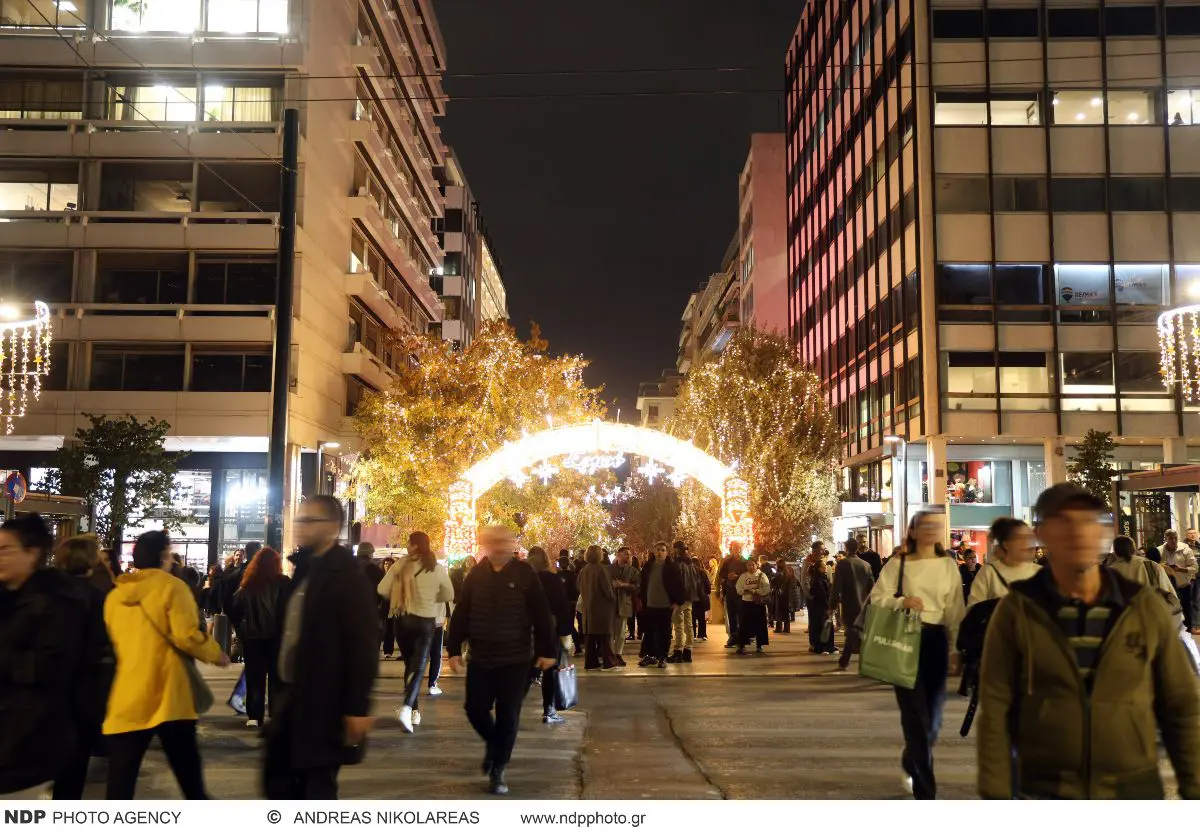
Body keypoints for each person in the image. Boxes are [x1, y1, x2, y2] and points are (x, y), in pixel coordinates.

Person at [978, 484, 1200, 798]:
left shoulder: (1141, 606)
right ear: (1042, 534)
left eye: (1087, 522)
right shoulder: (1018, 611)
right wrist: (996, 794)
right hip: (1046, 790)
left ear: (1103, 534)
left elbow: (1181, 704)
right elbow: (996, 710)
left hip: (1133, 788)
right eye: (1064, 523)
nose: (1077, 534)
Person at [263, 496, 378, 799]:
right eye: (299, 520)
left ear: (331, 527)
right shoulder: (304, 569)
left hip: (325, 703)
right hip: (292, 698)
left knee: (317, 787)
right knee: (279, 781)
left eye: (307, 520)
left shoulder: (348, 576)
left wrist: (357, 707)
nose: (299, 527)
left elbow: (363, 645)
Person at [103, 530, 229, 799]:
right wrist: (216, 654)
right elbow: (186, 635)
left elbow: (115, 638)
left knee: (119, 786)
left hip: (129, 695)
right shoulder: (173, 587)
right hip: (169, 694)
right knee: (191, 782)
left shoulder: (116, 596)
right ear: (163, 556)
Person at [0, 516, 111, 800]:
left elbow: (54, 666)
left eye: (6, 550)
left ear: (32, 553)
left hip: (39, 742)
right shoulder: (11, 595)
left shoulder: (59, 601)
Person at [447, 526, 556, 795]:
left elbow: (541, 613)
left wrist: (548, 650)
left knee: (508, 715)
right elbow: (462, 612)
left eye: (503, 542)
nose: (498, 547)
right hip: (481, 656)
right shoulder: (477, 574)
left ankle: (498, 768)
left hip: (515, 658)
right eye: (493, 542)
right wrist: (453, 648)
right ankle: (496, 746)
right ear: (485, 544)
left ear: (512, 545)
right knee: (474, 708)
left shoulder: (524, 573)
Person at [869, 511, 965, 800]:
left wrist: (955, 647)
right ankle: (926, 791)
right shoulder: (898, 564)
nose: (930, 531)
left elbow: (955, 608)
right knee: (915, 715)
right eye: (924, 526)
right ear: (912, 531)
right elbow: (876, 598)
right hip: (905, 638)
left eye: (935, 527)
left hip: (935, 640)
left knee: (932, 719)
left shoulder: (948, 565)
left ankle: (913, 758)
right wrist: (902, 601)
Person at [375, 531, 453, 734]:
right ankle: (408, 707)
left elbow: (382, 589)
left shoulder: (400, 565)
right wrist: (429, 596)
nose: (407, 546)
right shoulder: (436, 568)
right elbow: (449, 593)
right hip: (425, 621)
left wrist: (400, 591)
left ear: (416, 545)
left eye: (409, 543)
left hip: (403, 620)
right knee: (418, 667)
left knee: (410, 665)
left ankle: (413, 711)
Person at [231, 546, 290, 730]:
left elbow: (234, 607)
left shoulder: (248, 584)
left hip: (253, 638)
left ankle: (254, 716)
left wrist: (242, 629)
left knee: (255, 677)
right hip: (277, 638)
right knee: (276, 677)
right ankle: (276, 713)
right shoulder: (284, 583)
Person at [528, 546, 573, 725]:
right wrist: (566, 634)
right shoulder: (552, 580)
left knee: (526, 670)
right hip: (550, 631)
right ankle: (549, 709)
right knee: (550, 672)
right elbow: (562, 607)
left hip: (528, 631)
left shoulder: (524, 580)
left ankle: (510, 708)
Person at [966, 518, 1041, 609]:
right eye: (1020, 538)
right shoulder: (989, 572)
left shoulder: (1041, 572)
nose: (1027, 543)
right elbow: (972, 610)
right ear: (1006, 544)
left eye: (1030, 538)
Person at [637, 541, 685, 668]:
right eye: (658, 549)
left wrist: (676, 602)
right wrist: (641, 599)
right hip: (650, 604)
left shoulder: (671, 567)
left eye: (663, 550)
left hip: (665, 605)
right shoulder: (649, 566)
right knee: (649, 631)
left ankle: (662, 657)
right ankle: (650, 655)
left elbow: (679, 585)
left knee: (664, 632)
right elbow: (643, 584)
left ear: (666, 552)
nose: (660, 552)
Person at [830, 537, 874, 671]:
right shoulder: (866, 565)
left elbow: (836, 587)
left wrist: (831, 605)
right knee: (859, 631)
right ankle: (867, 661)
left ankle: (845, 659)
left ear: (846, 548)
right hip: (863, 603)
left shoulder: (842, 565)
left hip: (849, 603)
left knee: (852, 631)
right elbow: (872, 586)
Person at [576, 545, 621, 670]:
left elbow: (578, 586)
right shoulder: (602, 569)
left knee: (590, 638)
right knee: (606, 636)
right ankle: (609, 663)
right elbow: (607, 589)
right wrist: (613, 596)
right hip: (602, 608)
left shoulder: (584, 570)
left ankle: (590, 663)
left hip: (587, 608)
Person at [668, 541, 698, 663]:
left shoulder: (678, 564)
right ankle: (688, 651)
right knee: (689, 625)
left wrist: (675, 598)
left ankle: (678, 651)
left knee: (679, 626)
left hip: (680, 599)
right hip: (690, 598)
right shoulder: (691, 563)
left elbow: (678, 583)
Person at [1161, 528, 1197, 630]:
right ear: (1166, 539)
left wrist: (1182, 569)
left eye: (1175, 538)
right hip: (1167, 586)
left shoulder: (1186, 550)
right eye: (1170, 538)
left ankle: (1189, 630)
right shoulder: (1160, 550)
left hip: (1183, 585)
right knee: (1170, 610)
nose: (1173, 541)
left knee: (1186, 609)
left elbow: (1195, 568)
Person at [735, 556, 772, 653]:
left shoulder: (762, 575)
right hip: (746, 603)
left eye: (753, 565)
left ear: (757, 565)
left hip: (758, 604)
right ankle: (742, 645)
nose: (751, 567)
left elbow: (767, 589)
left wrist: (756, 591)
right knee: (744, 625)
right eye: (748, 565)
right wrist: (744, 591)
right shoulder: (743, 576)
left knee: (760, 625)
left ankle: (759, 645)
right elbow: (738, 588)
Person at [804, 543, 836, 654]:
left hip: (824, 594)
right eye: (821, 549)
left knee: (823, 621)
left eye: (823, 549)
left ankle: (826, 645)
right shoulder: (808, 562)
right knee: (815, 622)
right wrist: (810, 595)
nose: (823, 551)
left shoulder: (823, 561)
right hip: (814, 597)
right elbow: (805, 581)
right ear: (815, 550)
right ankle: (815, 645)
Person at [609, 546, 640, 657]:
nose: (628, 556)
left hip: (624, 603)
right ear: (618, 555)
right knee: (610, 632)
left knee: (621, 632)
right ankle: (610, 654)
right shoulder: (609, 569)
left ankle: (618, 654)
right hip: (610, 604)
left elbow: (637, 586)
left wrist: (624, 585)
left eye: (629, 554)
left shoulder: (632, 571)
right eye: (625, 554)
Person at [718, 541, 749, 648]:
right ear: (732, 549)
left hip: (741, 593)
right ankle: (733, 637)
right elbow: (721, 574)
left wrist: (738, 576)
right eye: (735, 548)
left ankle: (742, 639)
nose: (737, 550)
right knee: (731, 616)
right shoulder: (727, 562)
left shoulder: (745, 562)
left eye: (739, 548)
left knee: (741, 616)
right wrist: (728, 576)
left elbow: (749, 575)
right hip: (730, 592)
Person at [771, 558, 797, 634]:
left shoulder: (779, 573)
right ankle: (786, 628)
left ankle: (778, 628)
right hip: (787, 595)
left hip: (779, 594)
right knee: (785, 612)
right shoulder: (788, 572)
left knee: (778, 611)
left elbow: (774, 582)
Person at [692, 555, 712, 642]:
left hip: (695, 598)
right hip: (700, 598)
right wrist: (707, 592)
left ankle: (694, 634)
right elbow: (707, 585)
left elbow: (707, 585)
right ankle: (702, 634)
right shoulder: (703, 572)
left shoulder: (698, 573)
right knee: (700, 617)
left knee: (694, 617)